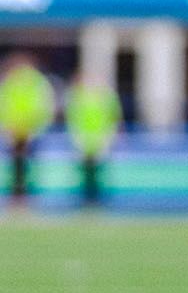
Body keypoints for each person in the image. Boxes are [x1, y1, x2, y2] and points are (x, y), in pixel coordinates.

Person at [0, 51, 56, 204]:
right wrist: (8, 128)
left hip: (30, 132)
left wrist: (33, 129)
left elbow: (44, 107)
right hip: (15, 132)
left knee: (28, 164)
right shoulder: (11, 82)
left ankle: (27, 195)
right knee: (17, 165)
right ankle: (18, 195)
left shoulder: (36, 83)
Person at [65, 74, 122, 205]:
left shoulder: (106, 97)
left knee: (99, 171)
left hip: (100, 139)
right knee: (86, 172)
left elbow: (114, 117)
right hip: (83, 140)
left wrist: (110, 136)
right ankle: (86, 198)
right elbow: (73, 118)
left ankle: (97, 198)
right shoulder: (78, 97)